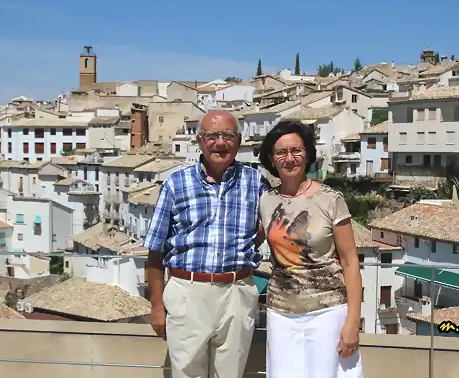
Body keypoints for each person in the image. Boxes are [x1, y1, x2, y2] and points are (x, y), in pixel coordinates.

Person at [144, 110, 271, 378]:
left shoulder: (255, 182)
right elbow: (155, 252)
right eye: (212, 136)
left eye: (227, 135)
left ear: (239, 141)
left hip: (237, 293)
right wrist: (157, 306)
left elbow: (272, 227)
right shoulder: (176, 184)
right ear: (200, 141)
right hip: (188, 292)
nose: (220, 142)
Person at [258, 118, 364, 378]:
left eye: (297, 150)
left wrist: (352, 322)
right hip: (281, 312)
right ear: (272, 159)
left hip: (327, 310)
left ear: (307, 155)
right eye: (281, 152)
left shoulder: (330, 199)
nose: (290, 158)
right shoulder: (266, 201)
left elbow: (350, 262)